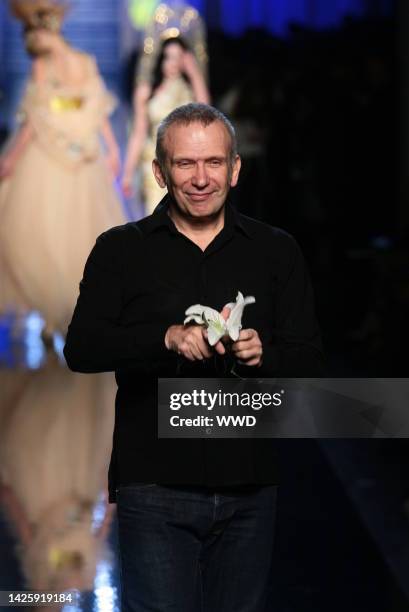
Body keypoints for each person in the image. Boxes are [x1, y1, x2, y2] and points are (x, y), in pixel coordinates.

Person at [64, 103, 324, 611]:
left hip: (250, 482)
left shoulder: (276, 251)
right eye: (185, 164)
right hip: (154, 483)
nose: (201, 179)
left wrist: (261, 354)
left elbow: (311, 362)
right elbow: (82, 348)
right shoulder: (121, 250)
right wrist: (163, 338)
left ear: (235, 168)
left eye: (213, 163)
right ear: (160, 172)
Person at [0, 0, 126, 343]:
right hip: (83, 155)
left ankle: (58, 316)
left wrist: (11, 158)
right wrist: (112, 150)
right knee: (73, 237)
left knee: (49, 234)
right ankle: (66, 314)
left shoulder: (43, 66)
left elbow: (35, 118)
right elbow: (96, 109)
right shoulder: (84, 62)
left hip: (54, 156)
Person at [122, 36, 209, 214]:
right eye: (169, 57)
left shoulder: (189, 91)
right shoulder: (146, 91)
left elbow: (208, 115)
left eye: (179, 57)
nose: (173, 63)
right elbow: (138, 133)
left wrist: (194, 73)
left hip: (187, 165)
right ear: (160, 58)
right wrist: (128, 173)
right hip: (154, 165)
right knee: (156, 220)